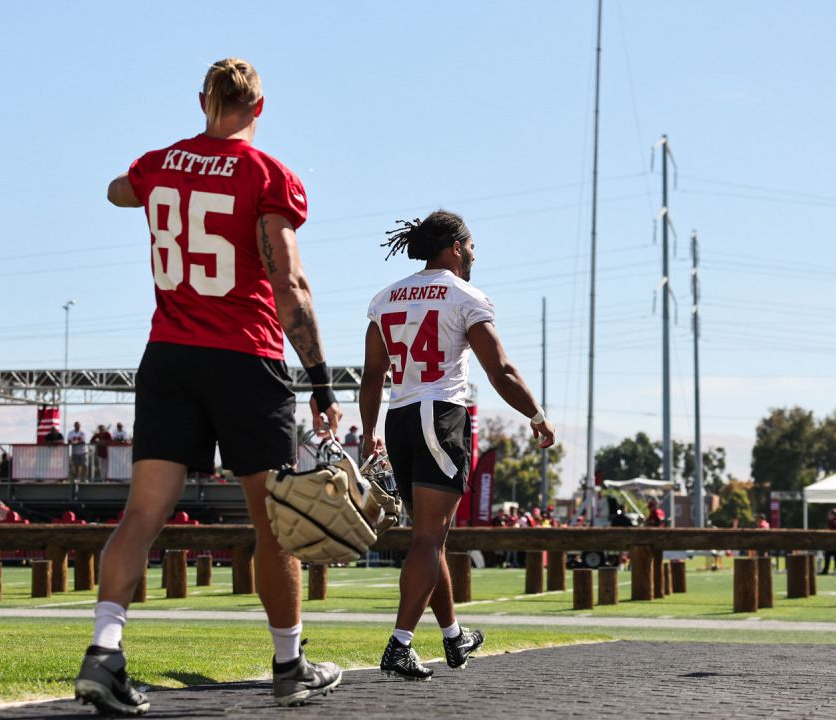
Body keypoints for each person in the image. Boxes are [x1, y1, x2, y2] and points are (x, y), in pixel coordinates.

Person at [74, 58, 343, 713]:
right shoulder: (267, 174)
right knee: (271, 526)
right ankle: (289, 664)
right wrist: (320, 380)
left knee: (142, 515)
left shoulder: (158, 164)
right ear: (260, 107)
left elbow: (117, 190)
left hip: (169, 355)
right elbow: (291, 284)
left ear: (202, 100)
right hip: (243, 359)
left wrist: (147, 181)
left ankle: (104, 652)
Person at [359, 209, 556, 681]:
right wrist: (536, 415)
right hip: (440, 414)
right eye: (470, 247)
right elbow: (500, 370)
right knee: (428, 538)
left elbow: (371, 376)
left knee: (432, 538)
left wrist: (368, 433)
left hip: (400, 417)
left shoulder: (384, 297)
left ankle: (453, 636)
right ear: (454, 247)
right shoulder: (464, 295)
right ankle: (400, 644)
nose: (472, 256)